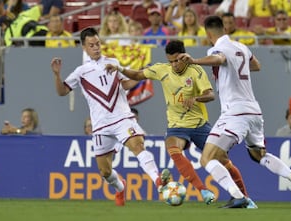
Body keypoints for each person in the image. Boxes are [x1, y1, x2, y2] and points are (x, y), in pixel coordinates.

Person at [177, 15, 291, 208]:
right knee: (259, 155)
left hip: (235, 112)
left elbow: (219, 58)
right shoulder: (241, 47)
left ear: (208, 34)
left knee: (207, 158)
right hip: (254, 111)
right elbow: (256, 65)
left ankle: (238, 196)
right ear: (224, 29)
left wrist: (195, 61)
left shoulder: (217, 48)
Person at [105, 40, 257, 208]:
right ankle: (203, 190)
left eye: (178, 60)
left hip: (200, 125)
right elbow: (137, 75)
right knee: (172, 147)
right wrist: (120, 69)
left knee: (223, 160)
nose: (175, 64)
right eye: (171, 61)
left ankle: (245, 197)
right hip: (176, 126)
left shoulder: (196, 71)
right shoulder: (162, 70)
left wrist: (196, 98)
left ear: (184, 56)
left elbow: (210, 95)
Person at [50, 27, 169, 206]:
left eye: (98, 43)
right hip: (100, 126)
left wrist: (142, 75)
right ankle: (121, 187)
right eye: (91, 45)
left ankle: (157, 180)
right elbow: (61, 92)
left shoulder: (113, 63)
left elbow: (127, 84)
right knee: (105, 171)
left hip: (122, 118)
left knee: (137, 145)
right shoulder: (81, 72)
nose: (96, 48)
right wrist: (57, 75)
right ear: (84, 47)